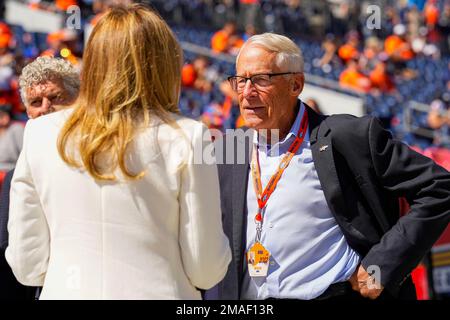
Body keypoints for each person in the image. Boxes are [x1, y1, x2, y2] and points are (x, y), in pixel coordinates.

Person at [5, 4, 231, 300]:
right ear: (164, 63)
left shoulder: (40, 133)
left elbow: (27, 264)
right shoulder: (188, 136)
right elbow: (205, 268)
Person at [213, 33, 450, 300]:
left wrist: (383, 265)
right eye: (240, 80)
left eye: (260, 79)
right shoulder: (226, 151)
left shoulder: (348, 136)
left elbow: (440, 187)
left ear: (295, 84)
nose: (246, 92)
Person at [0, 56, 80, 300]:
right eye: (36, 102)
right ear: (27, 111)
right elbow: (12, 249)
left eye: (56, 98)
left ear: (79, 101)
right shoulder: (16, 177)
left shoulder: (104, 163)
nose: (45, 108)